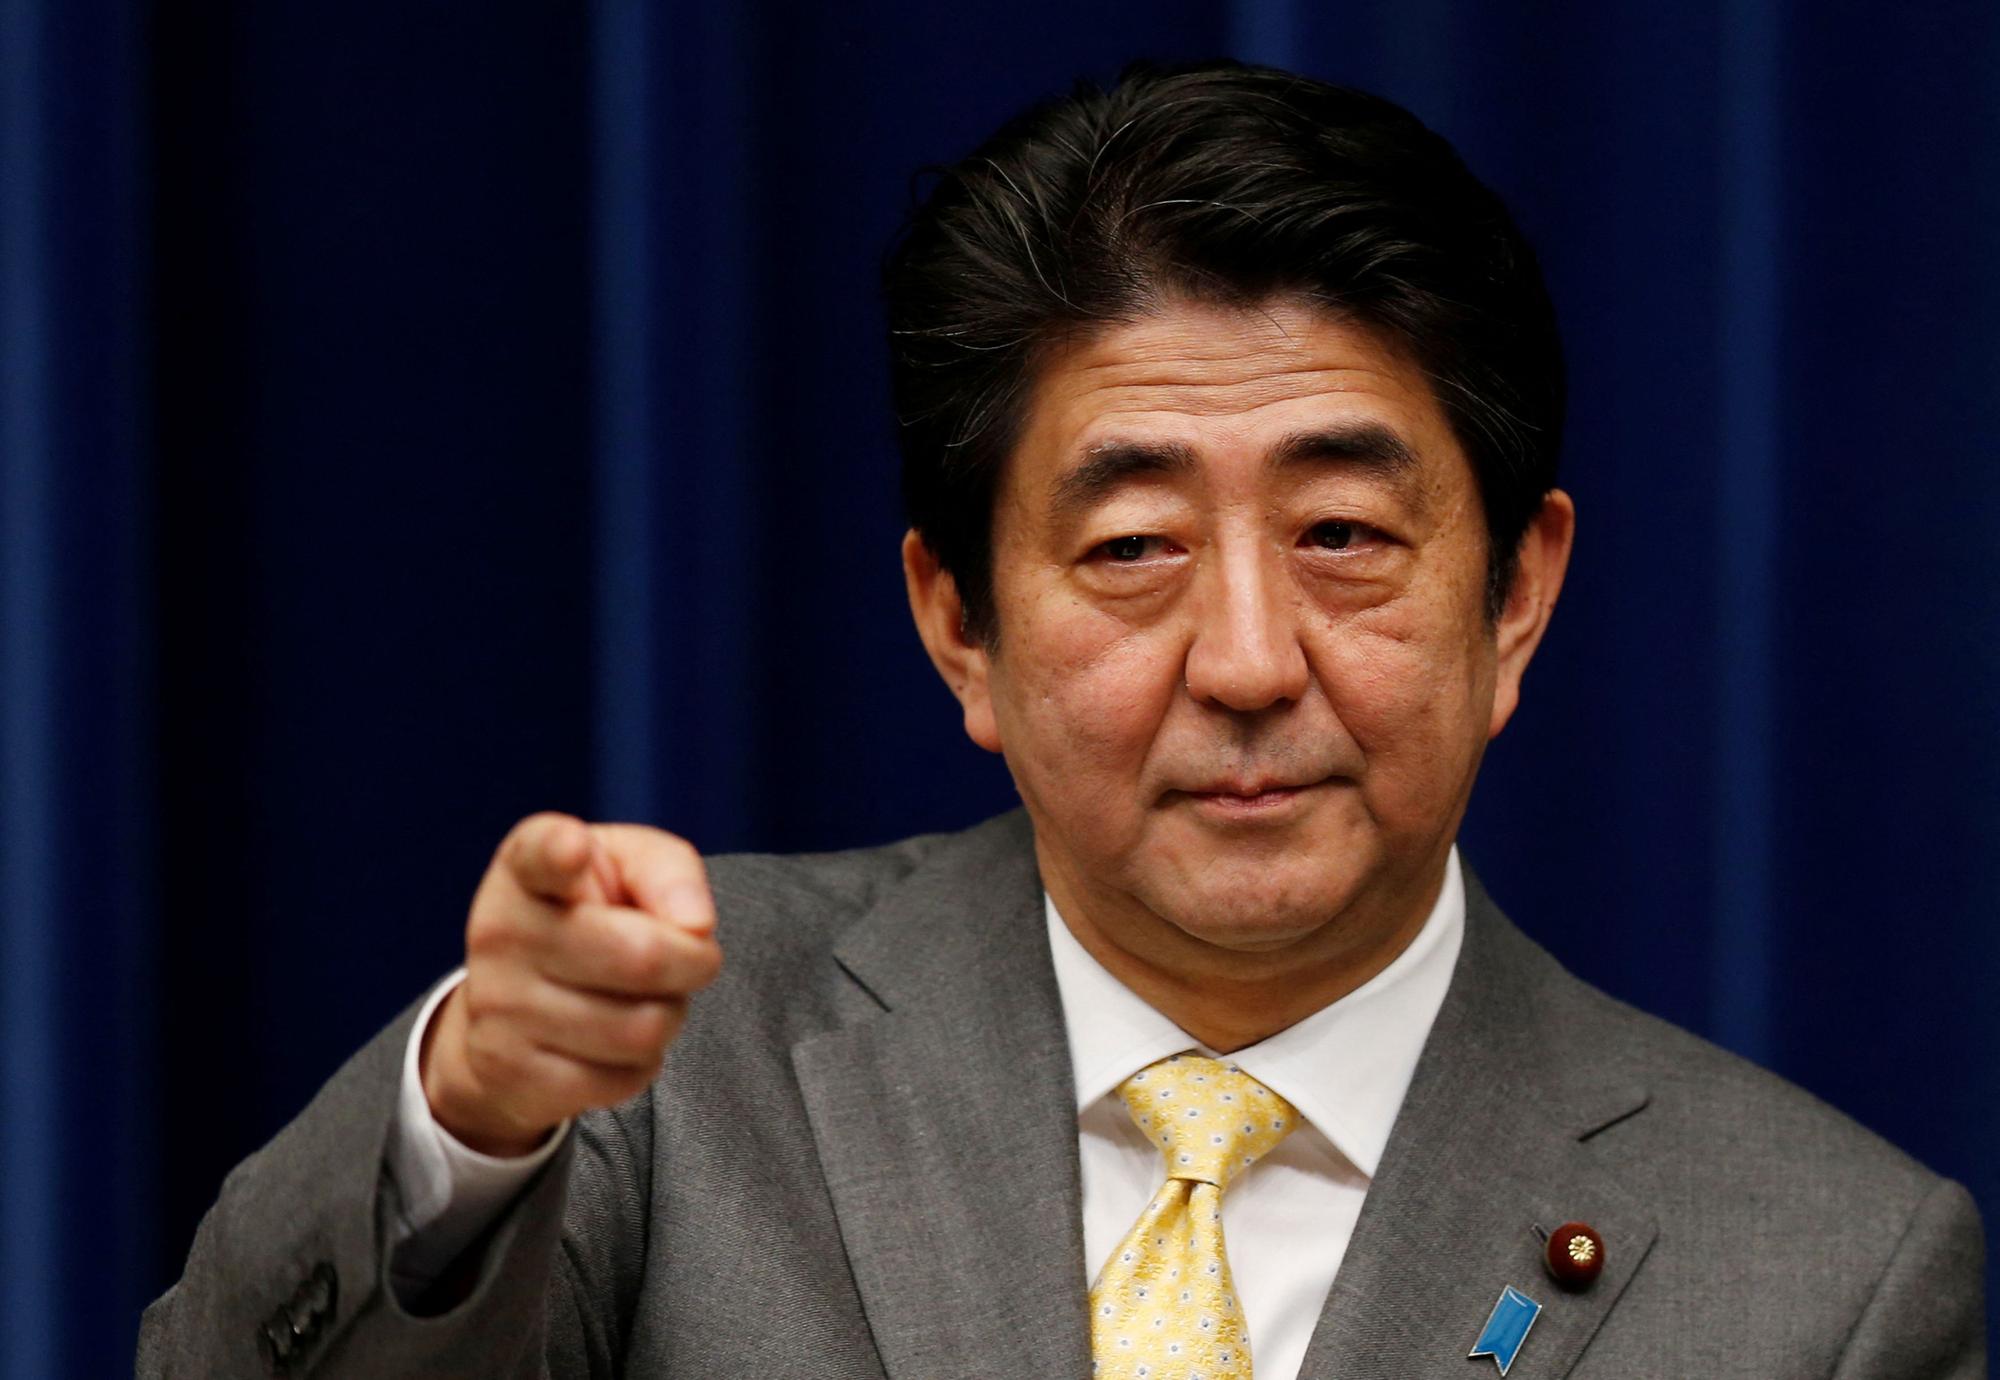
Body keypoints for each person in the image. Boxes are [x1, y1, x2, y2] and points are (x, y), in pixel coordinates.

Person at [138, 60, 1985, 1379]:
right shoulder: (670, 1078)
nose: (1249, 659)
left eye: (1342, 534)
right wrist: (475, 1112)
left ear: (1514, 599)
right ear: (960, 626)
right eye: (1133, 546)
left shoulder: (1829, 1274)